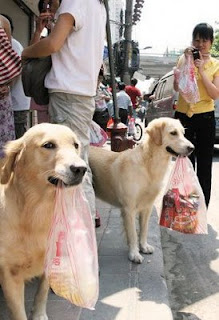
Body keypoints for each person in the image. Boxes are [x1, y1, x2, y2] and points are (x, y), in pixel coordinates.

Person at [22, 0, 106, 221]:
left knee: (73, 168)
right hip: (80, 94)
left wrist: (25, 53)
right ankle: (77, 238)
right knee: (76, 165)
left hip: (68, 95)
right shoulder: (97, 6)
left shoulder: (75, 2)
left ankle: (80, 239)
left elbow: (52, 45)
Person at [174, 22, 219, 207]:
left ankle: (201, 206)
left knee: (204, 163)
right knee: (185, 163)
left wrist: (201, 70)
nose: (200, 44)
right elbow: (177, 87)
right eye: (197, 39)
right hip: (183, 116)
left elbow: (214, 94)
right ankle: (185, 204)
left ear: (211, 42)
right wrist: (186, 64)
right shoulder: (183, 59)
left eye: (204, 40)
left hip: (205, 118)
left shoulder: (216, 64)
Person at [1, 14, 31, 138]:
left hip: (9, 99)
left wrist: (6, 85)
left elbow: (11, 63)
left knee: (9, 145)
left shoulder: (3, 23)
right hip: (9, 98)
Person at [0, 14, 17, 158]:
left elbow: (9, 61)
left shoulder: (3, 22)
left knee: (4, 145)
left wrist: (7, 83)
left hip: (1, 92)